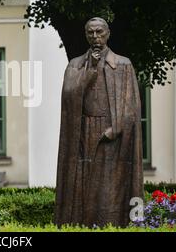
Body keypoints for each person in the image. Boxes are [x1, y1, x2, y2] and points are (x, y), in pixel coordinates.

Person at [55, 17, 144, 227]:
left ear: (108, 33)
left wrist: (117, 127)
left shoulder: (123, 64)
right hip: (84, 130)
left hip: (112, 134)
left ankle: (112, 225)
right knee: (83, 186)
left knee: (110, 187)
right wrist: (91, 70)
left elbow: (132, 106)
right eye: (91, 33)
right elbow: (69, 96)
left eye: (99, 32)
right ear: (86, 35)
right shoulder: (76, 64)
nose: (95, 37)